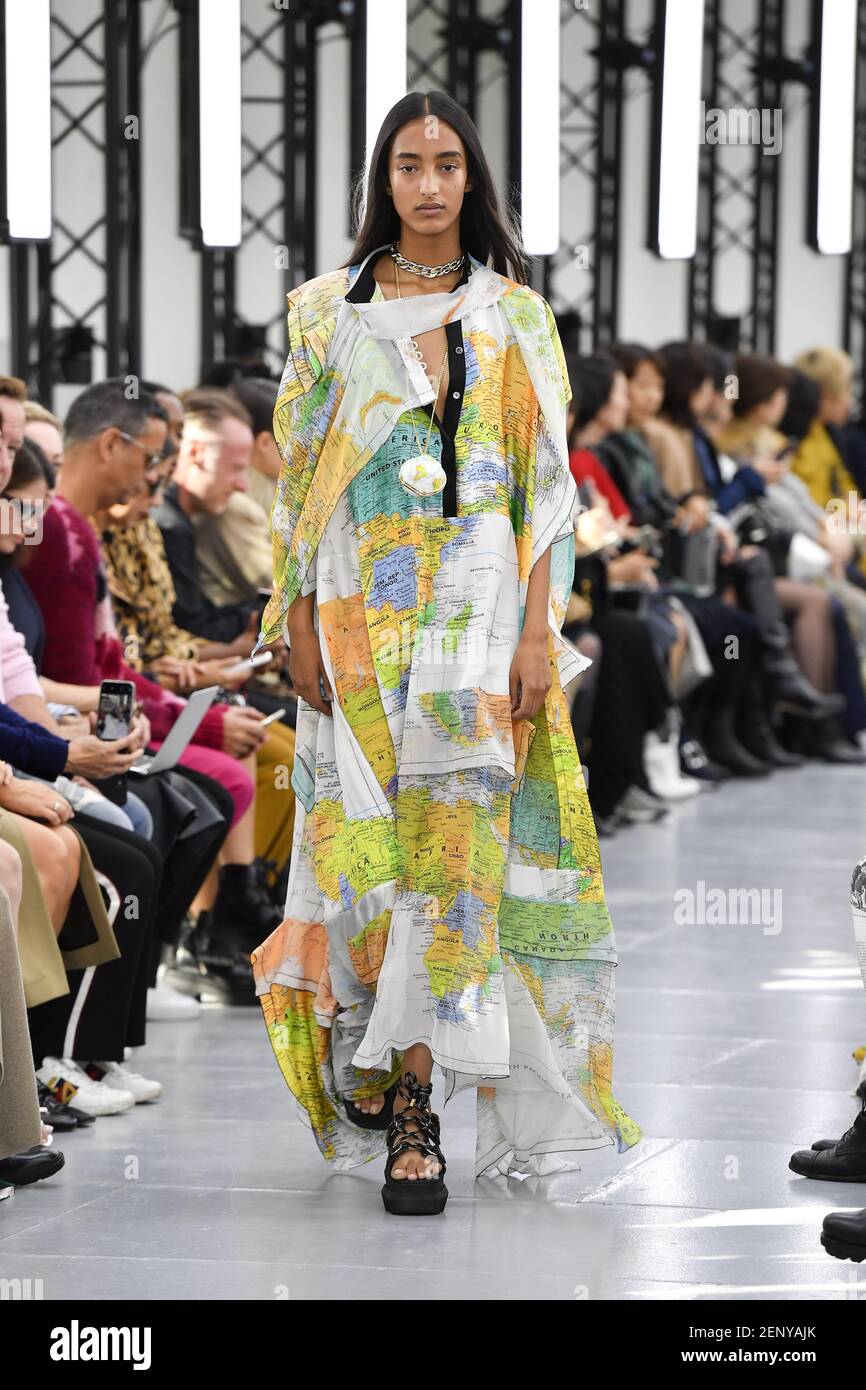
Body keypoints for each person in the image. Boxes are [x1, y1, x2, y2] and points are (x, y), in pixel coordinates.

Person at [250, 89, 642, 1216]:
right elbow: (299, 500)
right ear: (384, 178)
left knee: (455, 871)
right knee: (363, 867)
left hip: (474, 626)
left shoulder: (516, 317)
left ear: (473, 180)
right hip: (349, 624)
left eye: (447, 164)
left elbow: (543, 495)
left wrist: (537, 633)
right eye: (408, 163)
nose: (427, 183)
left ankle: (419, 1111)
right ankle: (381, 1075)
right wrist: (294, 632)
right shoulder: (323, 313)